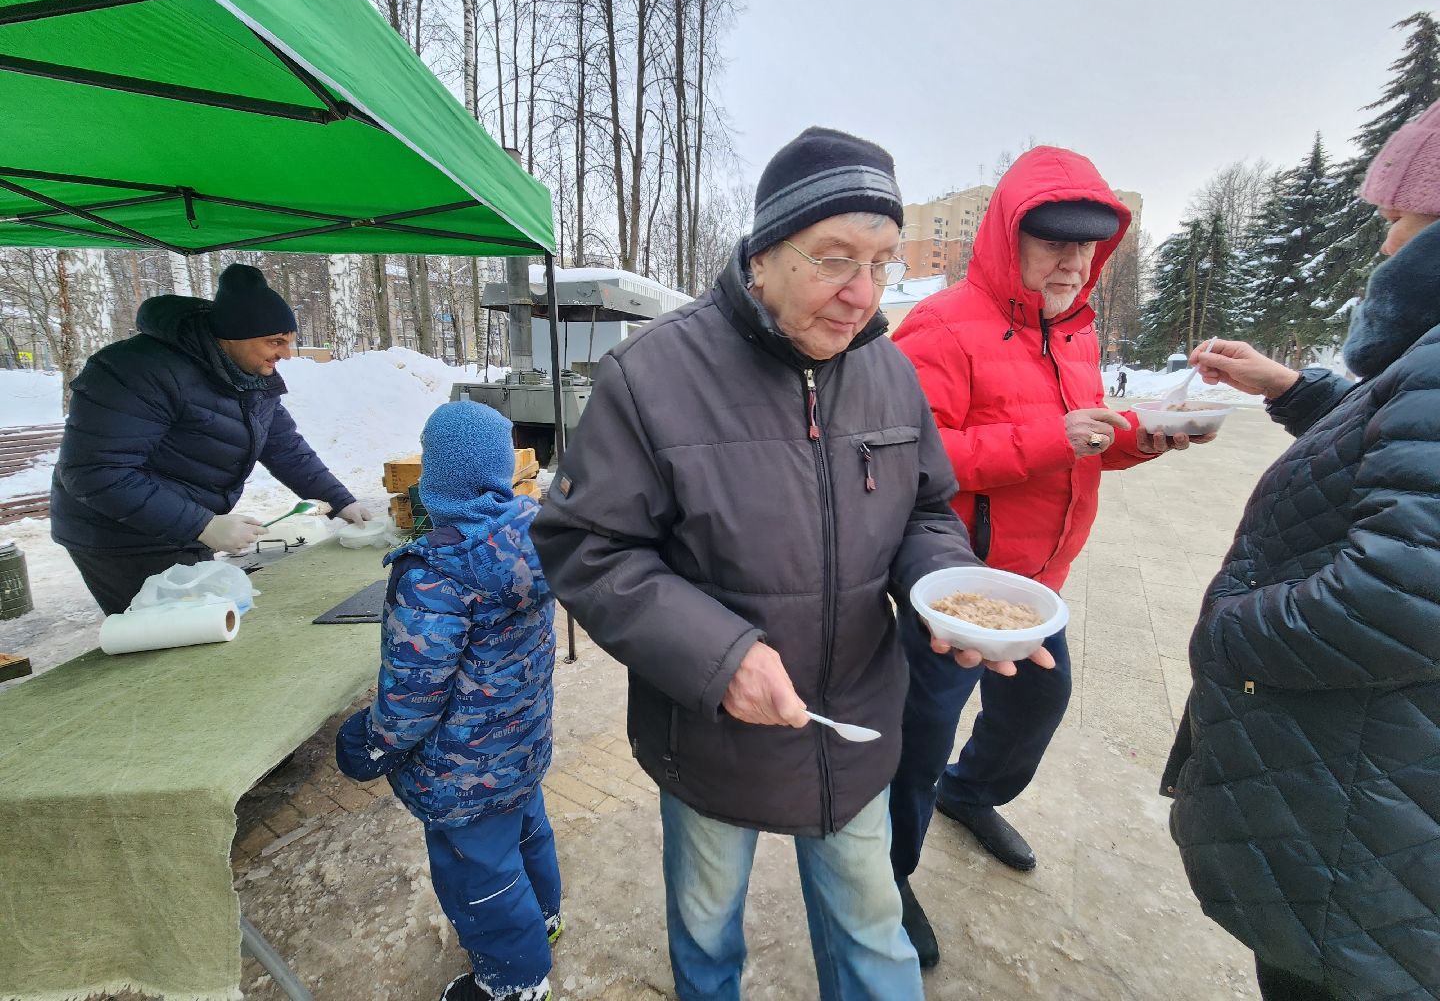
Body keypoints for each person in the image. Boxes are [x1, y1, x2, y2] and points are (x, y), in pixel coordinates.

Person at [531, 127, 984, 1001]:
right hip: (711, 735)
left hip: (853, 724)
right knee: (706, 933)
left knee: (872, 933)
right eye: (835, 260)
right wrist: (720, 655)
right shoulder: (650, 376)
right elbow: (584, 543)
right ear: (765, 254)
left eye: (883, 262)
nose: (863, 296)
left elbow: (925, 508)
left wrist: (943, 591)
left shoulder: (889, 373)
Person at [886, 146, 1213, 967]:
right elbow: (915, 459)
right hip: (957, 586)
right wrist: (1046, 437)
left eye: (1088, 245)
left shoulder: (1074, 331)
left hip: (1038, 584)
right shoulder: (940, 325)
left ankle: (972, 794)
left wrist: (1145, 441)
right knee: (917, 738)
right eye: (1053, 241)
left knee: (1039, 702)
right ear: (1008, 237)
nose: (1073, 260)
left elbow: (1082, 439)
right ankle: (886, 882)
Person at [1163, 99, 1440, 1000]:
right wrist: (1289, 387)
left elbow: (1397, 597)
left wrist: (1225, 631)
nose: (1385, 248)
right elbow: (1402, 446)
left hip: (1363, 814)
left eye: (1399, 220)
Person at [336, 400, 560, 1001]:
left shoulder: (436, 575)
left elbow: (413, 697)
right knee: (528, 831)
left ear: (435, 476)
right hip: (520, 744)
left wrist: (371, 742)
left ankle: (515, 981)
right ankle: (542, 919)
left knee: (477, 872)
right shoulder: (529, 538)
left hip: (463, 772)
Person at [50, 263, 370, 614]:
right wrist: (201, 524)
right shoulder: (135, 370)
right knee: (170, 637)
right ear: (232, 335)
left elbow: (284, 447)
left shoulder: (249, 375)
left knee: (211, 620)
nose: (286, 354)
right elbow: (95, 472)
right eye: (275, 342)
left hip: (180, 521)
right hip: (120, 535)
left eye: (289, 342)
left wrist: (340, 501)